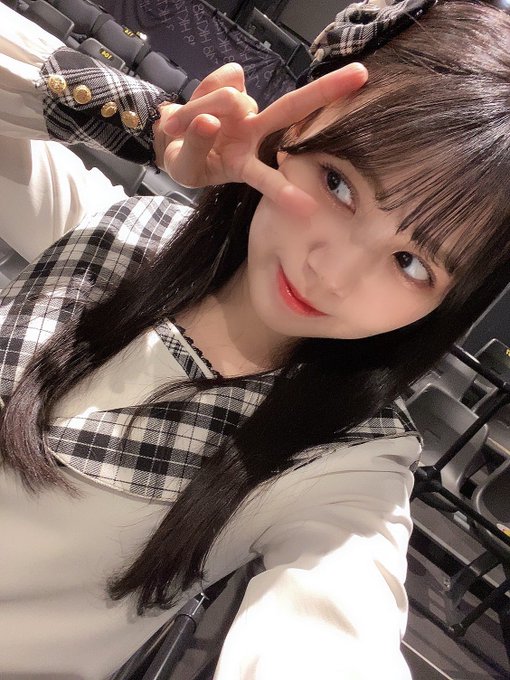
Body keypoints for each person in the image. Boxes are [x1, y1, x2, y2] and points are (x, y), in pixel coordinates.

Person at [0, 0, 509, 678]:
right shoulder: (116, 234)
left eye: (411, 263)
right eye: (340, 184)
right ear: (292, 127)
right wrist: (151, 124)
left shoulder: (343, 468)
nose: (331, 271)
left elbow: (334, 631)